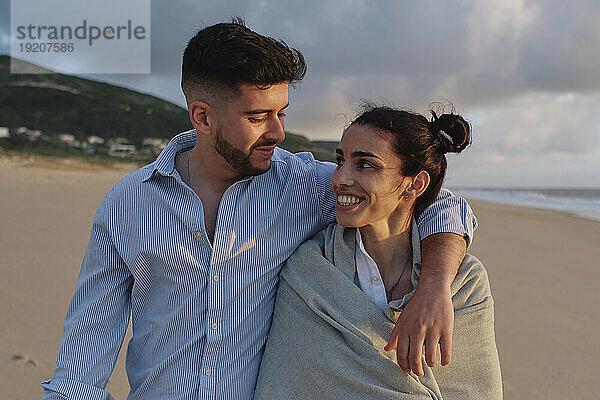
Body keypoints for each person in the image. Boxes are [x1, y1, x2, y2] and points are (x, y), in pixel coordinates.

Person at [41, 20, 477, 399]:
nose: (278, 132)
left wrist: (434, 285)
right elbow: (83, 355)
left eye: (282, 113)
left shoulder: (301, 185)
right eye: (258, 117)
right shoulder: (126, 204)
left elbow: (430, 199)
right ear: (203, 116)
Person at [254, 106, 502, 399]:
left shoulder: (464, 283)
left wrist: (434, 285)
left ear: (415, 184)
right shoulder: (308, 271)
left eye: (365, 165)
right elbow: (285, 385)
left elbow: (475, 389)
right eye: (340, 161)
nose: (339, 178)